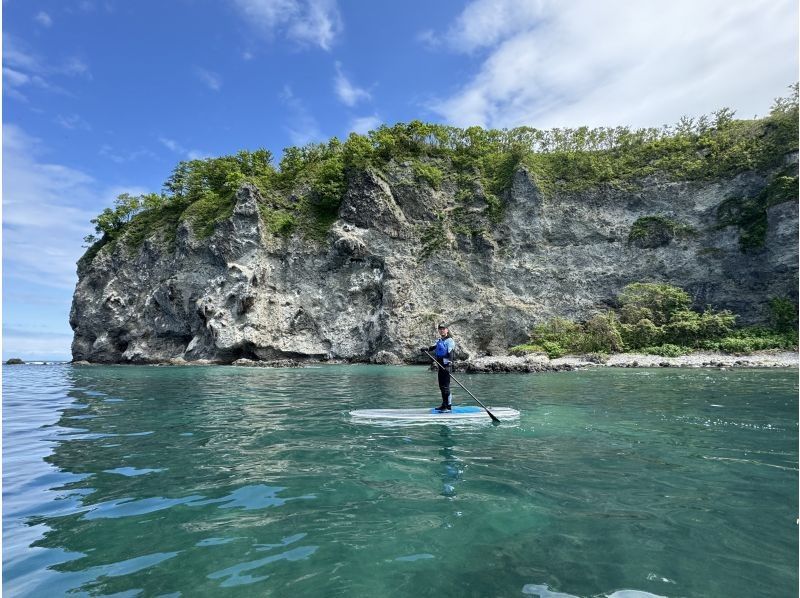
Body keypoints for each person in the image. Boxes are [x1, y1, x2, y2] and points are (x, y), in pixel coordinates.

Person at [420, 323, 456, 412]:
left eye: (443, 329)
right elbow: (433, 347)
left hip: (447, 366)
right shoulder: (439, 340)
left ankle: (448, 406)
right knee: (441, 386)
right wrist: (426, 349)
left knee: (446, 387)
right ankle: (444, 405)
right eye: (440, 329)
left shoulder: (450, 340)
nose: (441, 330)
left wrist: (449, 364)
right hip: (440, 366)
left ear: (447, 330)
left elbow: (451, 353)